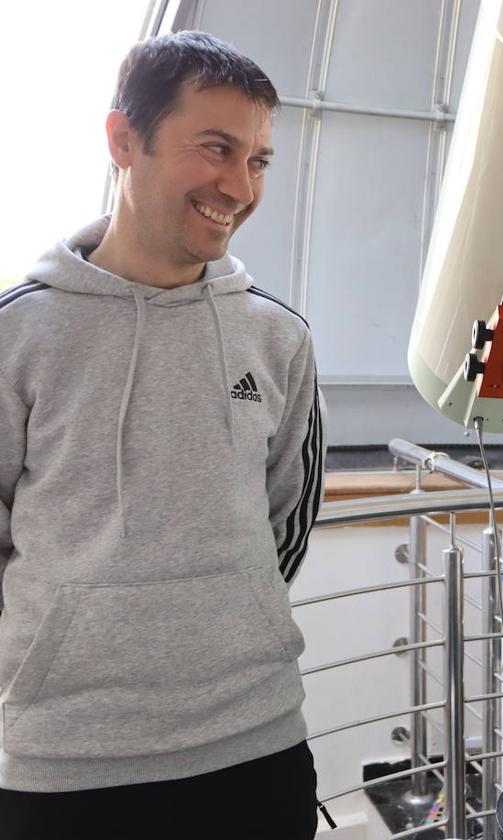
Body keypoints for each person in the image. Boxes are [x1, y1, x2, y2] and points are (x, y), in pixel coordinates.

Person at [0, 31, 325, 839]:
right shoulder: (19, 333)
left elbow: (288, 515)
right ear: (123, 140)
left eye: (257, 161)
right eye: (216, 148)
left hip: (255, 745)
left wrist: (227, 617)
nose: (239, 185)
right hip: (58, 764)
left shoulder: (278, 338)